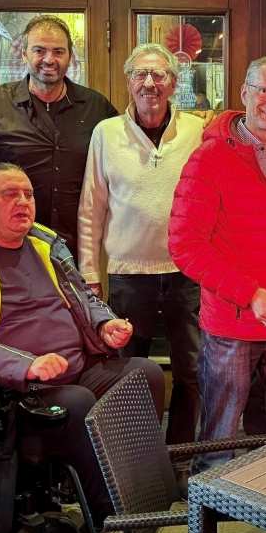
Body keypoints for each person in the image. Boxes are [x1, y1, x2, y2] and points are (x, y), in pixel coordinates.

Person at [0, 163, 165, 522]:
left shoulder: (46, 244)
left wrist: (104, 325)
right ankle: (111, 519)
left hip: (77, 368)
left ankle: (147, 501)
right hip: (15, 389)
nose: (23, 202)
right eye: (10, 194)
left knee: (146, 373)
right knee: (77, 402)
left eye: (28, 194)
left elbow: (84, 297)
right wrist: (26, 365)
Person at [168, 56, 266, 472]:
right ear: (244, 92)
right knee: (220, 441)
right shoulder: (209, 158)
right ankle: (208, 527)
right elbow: (185, 245)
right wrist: (248, 293)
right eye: (264, 90)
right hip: (232, 325)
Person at [78, 43, 204, 450]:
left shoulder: (197, 131)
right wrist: (89, 275)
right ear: (128, 81)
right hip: (129, 275)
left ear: (174, 82)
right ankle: (135, 457)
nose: (149, 83)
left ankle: (181, 456)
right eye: (140, 75)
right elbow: (90, 209)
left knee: (193, 370)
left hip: (186, 274)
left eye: (159, 75)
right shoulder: (107, 134)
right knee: (128, 374)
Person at [0, 15, 117, 258]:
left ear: (70, 57)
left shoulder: (95, 106)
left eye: (58, 51)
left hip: (76, 250)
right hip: (11, 246)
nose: (49, 60)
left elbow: (126, 154)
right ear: (24, 54)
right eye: (39, 50)